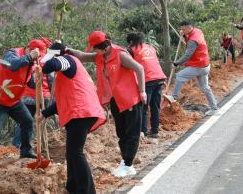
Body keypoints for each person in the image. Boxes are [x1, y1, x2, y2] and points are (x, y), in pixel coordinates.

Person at [67, 31, 146, 177]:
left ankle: (128, 164)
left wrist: (142, 91)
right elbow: (83, 56)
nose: (95, 51)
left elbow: (139, 69)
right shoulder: (100, 56)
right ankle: (126, 162)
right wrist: (67, 50)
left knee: (132, 133)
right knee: (121, 132)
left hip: (130, 99)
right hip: (116, 99)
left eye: (96, 48)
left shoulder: (120, 55)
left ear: (105, 45)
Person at [38, 42, 106, 194]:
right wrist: (44, 114)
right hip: (81, 112)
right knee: (71, 152)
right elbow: (62, 100)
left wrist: (42, 65)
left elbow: (51, 65)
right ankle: (73, 187)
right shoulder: (68, 70)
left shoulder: (68, 60)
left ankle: (87, 191)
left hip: (81, 112)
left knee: (76, 152)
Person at [0, 40, 40, 167]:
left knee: (27, 121)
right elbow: (12, 65)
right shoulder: (12, 53)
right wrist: (30, 57)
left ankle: (25, 150)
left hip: (13, 99)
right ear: (30, 49)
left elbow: (28, 82)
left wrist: (36, 79)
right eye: (36, 54)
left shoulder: (32, 61)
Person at [163, 20, 218, 116]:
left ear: (189, 27)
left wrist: (176, 63)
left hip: (199, 65)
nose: (182, 31)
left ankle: (174, 97)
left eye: (183, 29)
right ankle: (214, 108)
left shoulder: (193, 40)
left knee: (179, 75)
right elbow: (190, 42)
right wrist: (184, 36)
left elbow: (187, 55)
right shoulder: (198, 31)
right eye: (181, 29)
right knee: (205, 87)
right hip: (205, 64)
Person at [12, 38, 54, 149]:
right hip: (35, 95)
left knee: (25, 122)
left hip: (36, 96)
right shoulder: (37, 61)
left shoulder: (29, 59)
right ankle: (21, 146)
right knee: (27, 121)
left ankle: (21, 145)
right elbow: (48, 80)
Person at [126, 33, 166, 138]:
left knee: (143, 107)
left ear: (130, 42)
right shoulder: (151, 47)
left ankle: (143, 131)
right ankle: (155, 131)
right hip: (159, 78)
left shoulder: (131, 49)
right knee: (155, 107)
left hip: (148, 80)